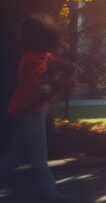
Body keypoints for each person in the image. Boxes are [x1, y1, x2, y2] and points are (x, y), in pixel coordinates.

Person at [0, 15, 72, 201]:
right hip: (31, 112)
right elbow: (39, 88)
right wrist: (57, 88)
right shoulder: (33, 60)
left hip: (30, 111)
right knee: (39, 157)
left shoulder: (36, 57)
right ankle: (51, 196)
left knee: (13, 156)